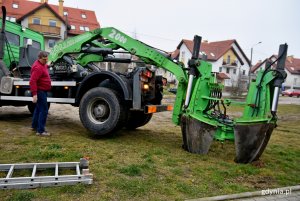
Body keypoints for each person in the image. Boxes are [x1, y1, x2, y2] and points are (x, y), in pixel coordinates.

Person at [30, 51, 51, 136]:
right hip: (40, 91)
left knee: (38, 109)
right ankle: (41, 131)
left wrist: (48, 65)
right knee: (44, 110)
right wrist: (34, 94)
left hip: (42, 91)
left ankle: (34, 126)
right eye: (44, 59)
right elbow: (32, 81)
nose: (46, 61)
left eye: (47, 59)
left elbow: (45, 66)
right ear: (40, 58)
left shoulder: (42, 64)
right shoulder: (37, 67)